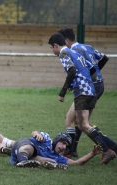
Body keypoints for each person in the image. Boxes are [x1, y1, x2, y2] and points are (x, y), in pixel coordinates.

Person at [48, 33, 116, 164]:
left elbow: (72, 71)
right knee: (75, 120)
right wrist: (79, 81)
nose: (52, 51)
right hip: (91, 89)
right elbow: (90, 69)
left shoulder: (64, 53)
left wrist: (63, 91)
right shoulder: (76, 53)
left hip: (82, 91)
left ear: (56, 45)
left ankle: (107, 150)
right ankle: (70, 152)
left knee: (83, 124)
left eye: (52, 48)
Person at [9, 131, 103, 169]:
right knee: (30, 148)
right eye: (63, 143)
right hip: (22, 145)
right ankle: (23, 161)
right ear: (57, 140)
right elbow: (34, 132)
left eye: (66, 146)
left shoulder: (58, 157)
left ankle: (25, 162)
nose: (64, 147)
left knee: (52, 161)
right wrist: (37, 134)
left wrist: (92, 153)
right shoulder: (46, 139)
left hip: (18, 160)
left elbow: (76, 163)